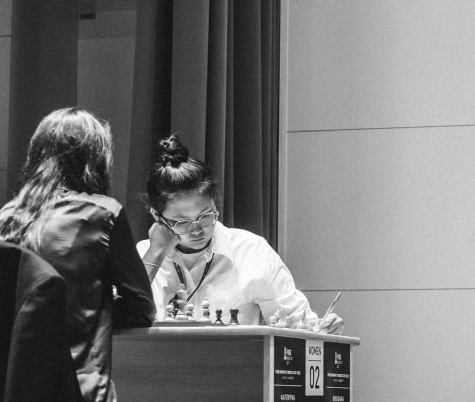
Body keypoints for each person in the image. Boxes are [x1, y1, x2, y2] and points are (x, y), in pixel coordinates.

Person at [0, 107, 155, 402]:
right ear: (95, 160)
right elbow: (142, 308)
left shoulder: (6, 218)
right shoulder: (103, 212)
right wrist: (95, 309)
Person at [137, 134, 344, 333]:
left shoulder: (252, 251)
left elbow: (298, 323)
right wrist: (155, 254)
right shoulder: (144, 255)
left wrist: (322, 327)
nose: (197, 229)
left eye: (206, 216)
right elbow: (125, 319)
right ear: (157, 216)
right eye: (182, 222)